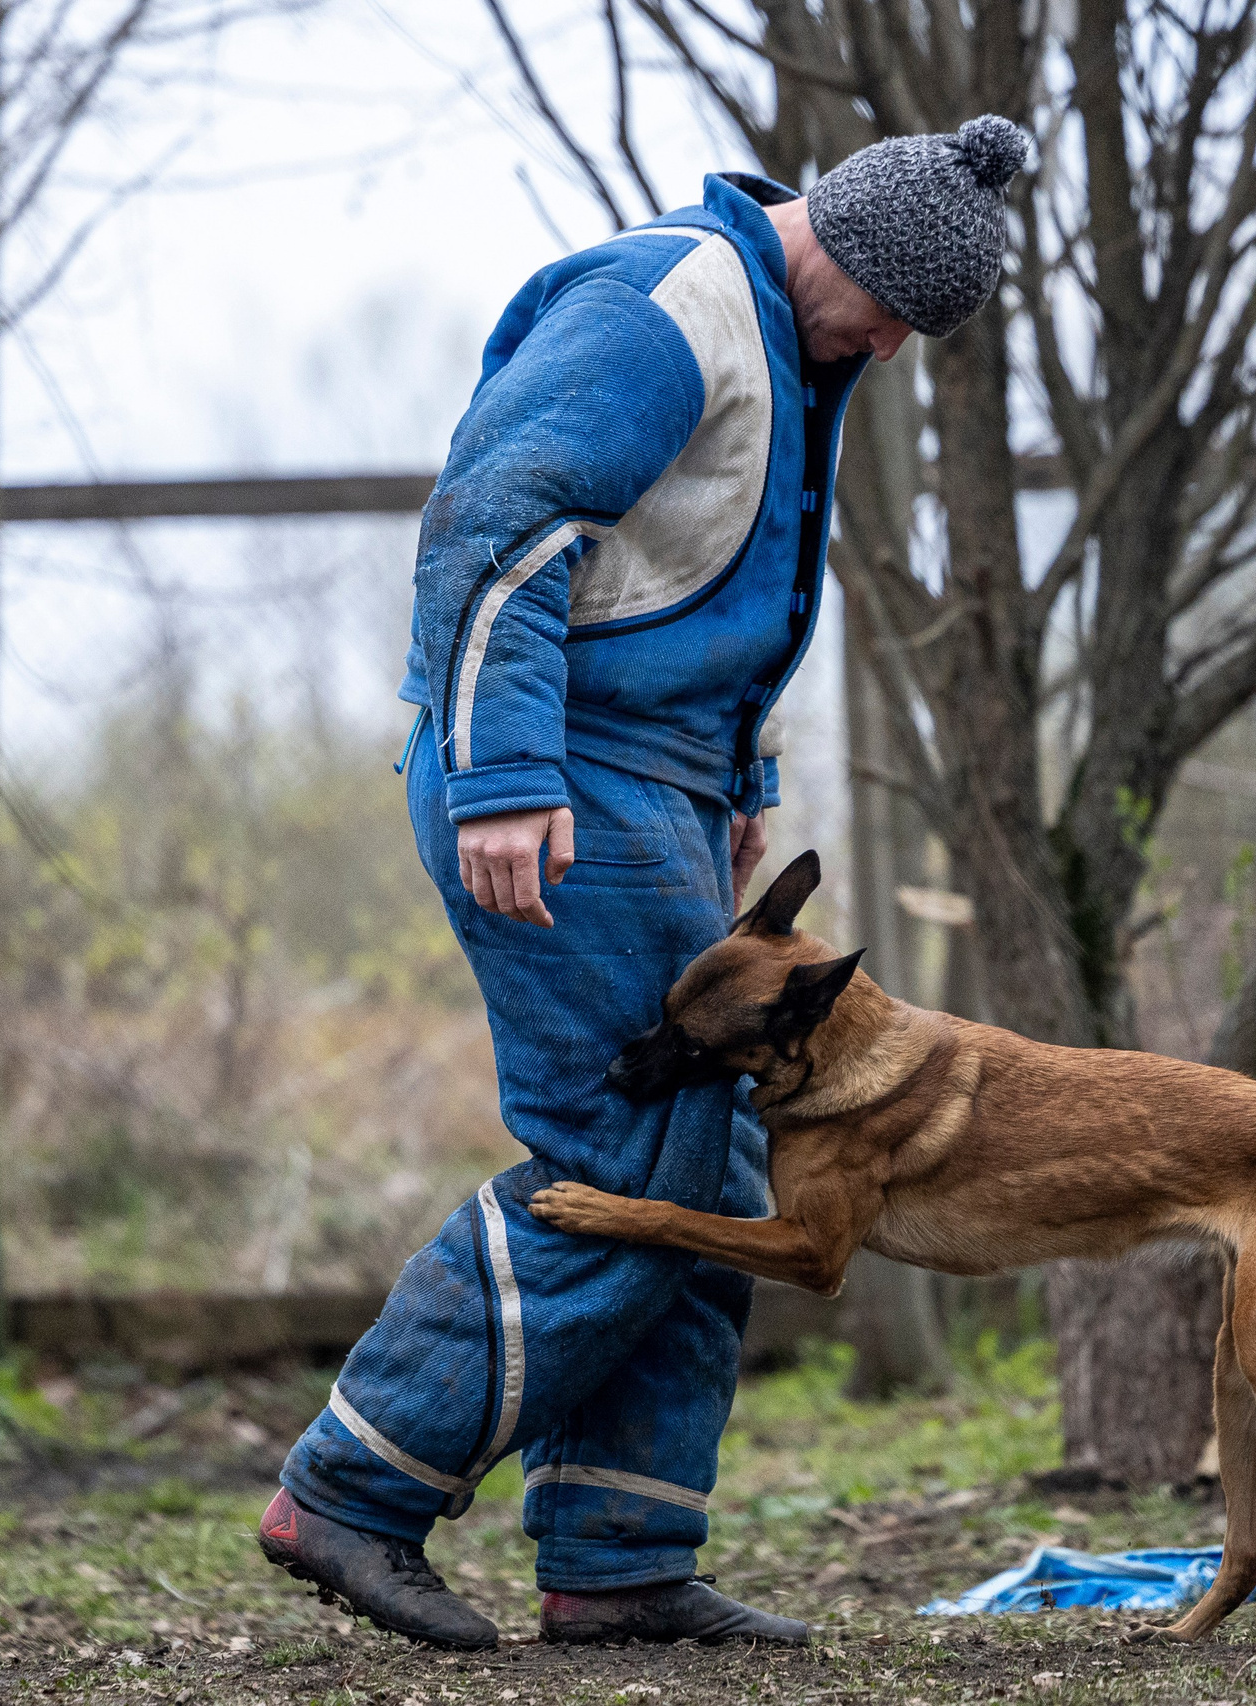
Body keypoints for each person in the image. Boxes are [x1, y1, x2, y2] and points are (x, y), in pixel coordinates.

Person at [259, 115, 1030, 1652]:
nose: (887, 344)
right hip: (558, 767)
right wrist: (502, 769)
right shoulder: (669, 304)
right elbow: (503, 510)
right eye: (888, 312)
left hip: (656, 783)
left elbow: (718, 589)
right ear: (850, 251)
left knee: (716, 1157)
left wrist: (736, 790)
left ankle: (619, 1553)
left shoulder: (791, 347)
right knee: (632, 1141)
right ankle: (355, 1484)